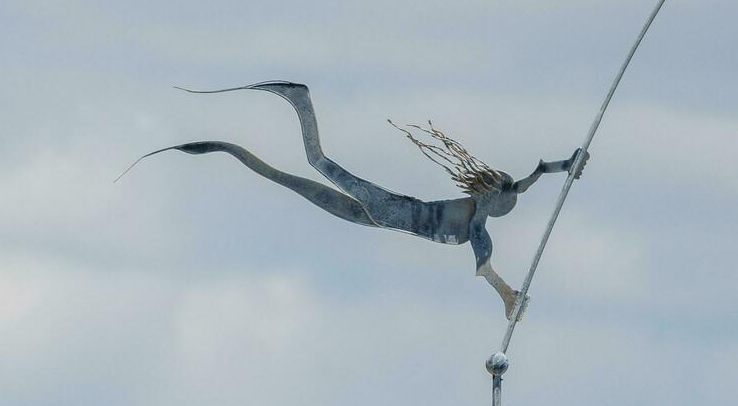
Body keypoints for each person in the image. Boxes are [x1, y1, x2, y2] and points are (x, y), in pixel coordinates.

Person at [120, 81, 587, 319]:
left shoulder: (486, 209)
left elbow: (533, 176)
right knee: (319, 164)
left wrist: (568, 164)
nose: (503, 205)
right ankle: (301, 100)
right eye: (500, 200)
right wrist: (508, 296)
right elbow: (485, 261)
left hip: (383, 219)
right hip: (390, 212)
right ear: (490, 196)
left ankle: (228, 146)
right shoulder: (477, 219)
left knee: (292, 181)